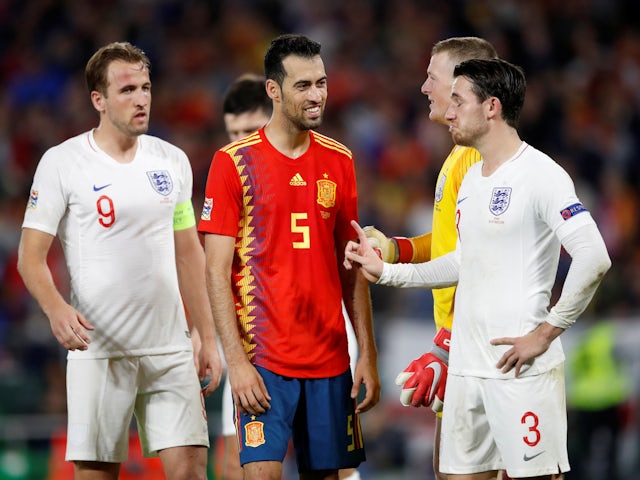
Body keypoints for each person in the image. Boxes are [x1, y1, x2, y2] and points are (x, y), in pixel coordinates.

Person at [344, 58, 611, 479]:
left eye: (458, 101)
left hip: (518, 369)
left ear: (491, 107)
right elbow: (466, 260)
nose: (448, 112)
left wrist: (545, 333)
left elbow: (594, 255)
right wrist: (390, 272)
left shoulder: (542, 174)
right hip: (468, 369)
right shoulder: (471, 179)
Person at [17, 41, 223, 480]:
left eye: (146, 87)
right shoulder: (63, 163)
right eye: (128, 89)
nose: (142, 98)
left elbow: (188, 253)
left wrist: (205, 333)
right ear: (99, 100)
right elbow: (29, 258)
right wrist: (56, 309)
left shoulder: (172, 161)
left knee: (190, 470)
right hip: (99, 348)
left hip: (170, 347)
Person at [199, 33, 380, 480]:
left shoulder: (340, 160)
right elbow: (215, 271)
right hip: (264, 363)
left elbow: (352, 265)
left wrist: (368, 354)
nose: (317, 95)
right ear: (274, 91)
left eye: (321, 82)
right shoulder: (232, 162)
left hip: (330, 360)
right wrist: (238, 364)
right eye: (303, 85)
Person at [364, 36, 498, 480]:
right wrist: (396, 248)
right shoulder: (461, 155)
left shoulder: (481, 160)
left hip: (476, 345)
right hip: (461, 342)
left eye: (432, 78)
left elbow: (481, 263)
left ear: (464, 85)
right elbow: (450, 244)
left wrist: (445, 347)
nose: (424, 88)